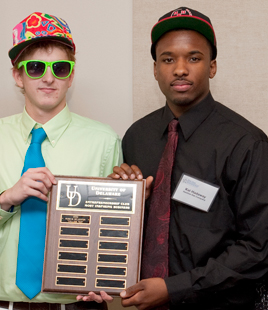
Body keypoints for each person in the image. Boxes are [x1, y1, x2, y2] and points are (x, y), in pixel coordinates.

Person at [110, 7, 268, 310]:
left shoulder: (246, 143)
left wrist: (174, 288)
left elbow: (257, 249)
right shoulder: (136, 136)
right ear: (155, 69)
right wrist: (123, 201)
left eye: (193, 58)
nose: (180, 69)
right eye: (168, 59)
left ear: (212, 66)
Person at [0, 12, 121, 310]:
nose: (49, 77)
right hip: (2, 305)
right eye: (36, 67)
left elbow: (112, 232)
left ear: (71, 75)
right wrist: (6, 199)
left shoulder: (104, 141)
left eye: (60, 68)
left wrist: (105, 278)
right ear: (18, 76)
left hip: (73, 304)